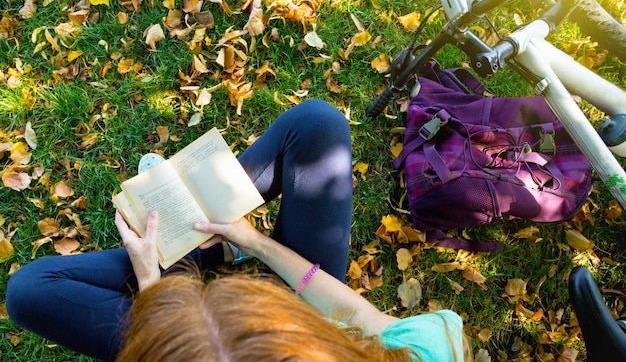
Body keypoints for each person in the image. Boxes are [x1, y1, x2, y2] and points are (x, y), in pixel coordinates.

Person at [6, 99, 465, 361]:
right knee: (317, 125)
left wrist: (152, 287)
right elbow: (358, 315)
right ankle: (215, 242)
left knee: (30, 291)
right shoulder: (429, 349)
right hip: (300, 301)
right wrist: (253, 240)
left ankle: (189, 256)